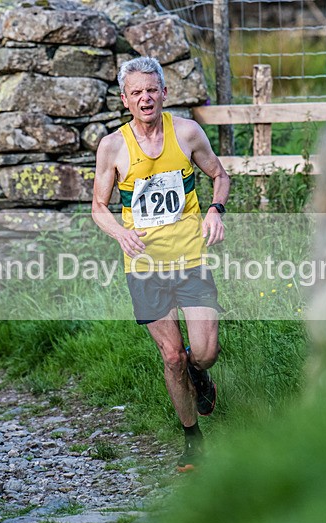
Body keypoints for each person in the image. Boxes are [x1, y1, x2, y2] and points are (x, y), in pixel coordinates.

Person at [92, 56, 231, 472]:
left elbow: (219, 175)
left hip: (190, 257)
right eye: (136, 92)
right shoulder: (113, 146)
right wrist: (119, 232)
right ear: (125, 100)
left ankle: (200, 373)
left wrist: (215, 210)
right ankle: (193, 440)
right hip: (144, 266)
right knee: (172, 357)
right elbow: (98, 207)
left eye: (152, 89)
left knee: (203, 353)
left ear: (164, 93)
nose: (145, 97)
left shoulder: (186, 132)